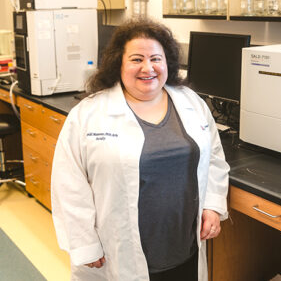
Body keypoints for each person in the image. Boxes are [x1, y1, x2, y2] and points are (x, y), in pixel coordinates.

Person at [51, 18, 230, 281]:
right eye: (136, 59)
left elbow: (213, 158)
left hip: (183, 246)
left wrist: (213, 206)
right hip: (118, 253)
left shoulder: (191, 103)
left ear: (167, 62)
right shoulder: (88, 114)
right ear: (118, 64)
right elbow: (68, 185)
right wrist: (84, 244)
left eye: (156, 58)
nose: (148, 68)